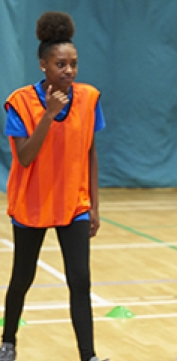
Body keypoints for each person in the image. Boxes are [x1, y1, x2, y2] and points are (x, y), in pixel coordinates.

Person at [0, 11, 107, 361]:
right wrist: (47, 115)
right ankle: (9, 340)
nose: (69, 71)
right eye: (61, 64)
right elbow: (26, 157)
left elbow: (90, 152)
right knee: (22, 278)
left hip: (73, 204)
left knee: (81, 281)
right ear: (43, 64)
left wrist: (93, 203)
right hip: (32, 204)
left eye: (73, 63)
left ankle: (88, 355)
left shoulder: (89, 98)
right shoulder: (21, 103)